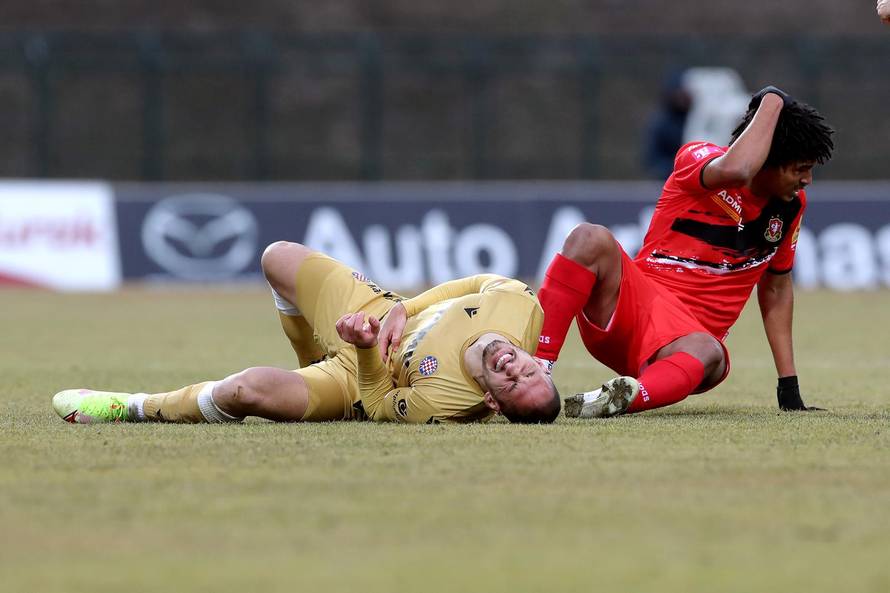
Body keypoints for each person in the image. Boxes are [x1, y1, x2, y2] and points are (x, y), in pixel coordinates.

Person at [534, 86, 834, 418]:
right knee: (588, 237)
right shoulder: (699, 156)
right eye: (799, 168)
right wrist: (774, 100)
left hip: (684, 346)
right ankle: (536, 370)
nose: (807, 180)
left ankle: (620, 398)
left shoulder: (790, 207)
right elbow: (738, 170)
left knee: (710, 350)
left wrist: (788, 386)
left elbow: (776, 289)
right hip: (632, 313)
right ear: (766, 159)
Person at [53, 242, 561, 425]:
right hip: (376, 310)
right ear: (539, 360)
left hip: (352, 378)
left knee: (244, 391)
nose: (514, 367)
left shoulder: (445, 403)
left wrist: (363, 350)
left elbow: (378, 397)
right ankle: (308, 354)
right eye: (529, 370)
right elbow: (474, 282)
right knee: (278, 258)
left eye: (512, 385)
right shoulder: (521, 309)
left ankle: (132, 406)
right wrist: (401, 312)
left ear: (492, 403)